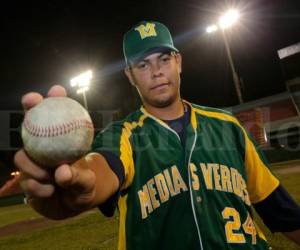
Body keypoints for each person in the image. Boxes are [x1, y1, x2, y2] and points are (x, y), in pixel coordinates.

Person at [15, 20, 300, 250]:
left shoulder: (228, 126)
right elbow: (102, 168)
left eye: (163, 59)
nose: (156, 72)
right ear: (130, 75)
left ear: (178, 62)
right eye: (143, 64)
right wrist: (84, 186)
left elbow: (280, 209)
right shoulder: (123, 135)